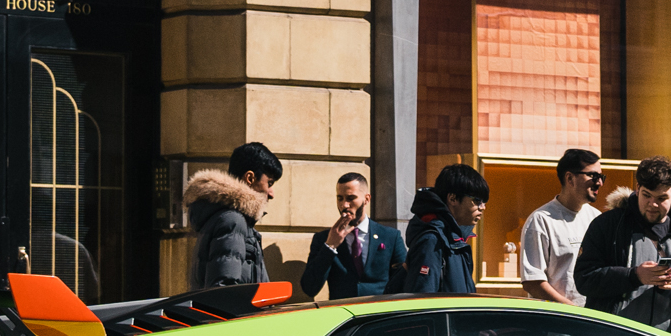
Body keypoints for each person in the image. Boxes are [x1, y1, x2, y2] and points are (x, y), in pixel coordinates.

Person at [573, 156, 671, 336]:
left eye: (661, 198)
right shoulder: (608, 225)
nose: (652, 204)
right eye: (646, 195)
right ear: (637, 189)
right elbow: (584, 279)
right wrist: (634, 276)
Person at [185, 142, 281, 289]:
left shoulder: (228, 218)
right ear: (250, 178)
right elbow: (223, 290)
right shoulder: (233, 221)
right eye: (270, 183)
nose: (272, 193)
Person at [299, 171, 407, 299]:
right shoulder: (323, 239)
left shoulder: (390, 236)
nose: (344, 205)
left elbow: (405, 280)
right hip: (344, 314)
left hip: (379, 313)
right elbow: (309, 288)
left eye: (351, 198)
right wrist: (330, 246)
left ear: (366, 199)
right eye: (340, 198)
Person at [520, 148, 604, 306]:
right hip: (556, 323)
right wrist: (571, 310)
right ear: (570, 178)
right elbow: (533, 281)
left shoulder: (597, 218)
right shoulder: (541, 220)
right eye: (593, 176)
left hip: (593, 321)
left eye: (601, 176)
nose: (599, 182)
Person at [407, 162, 489, 294]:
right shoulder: (432, 241)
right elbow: (423, 302)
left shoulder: (454, 239)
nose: (482, 207)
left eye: (484, 203)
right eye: (477, 201)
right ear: (453, 198)